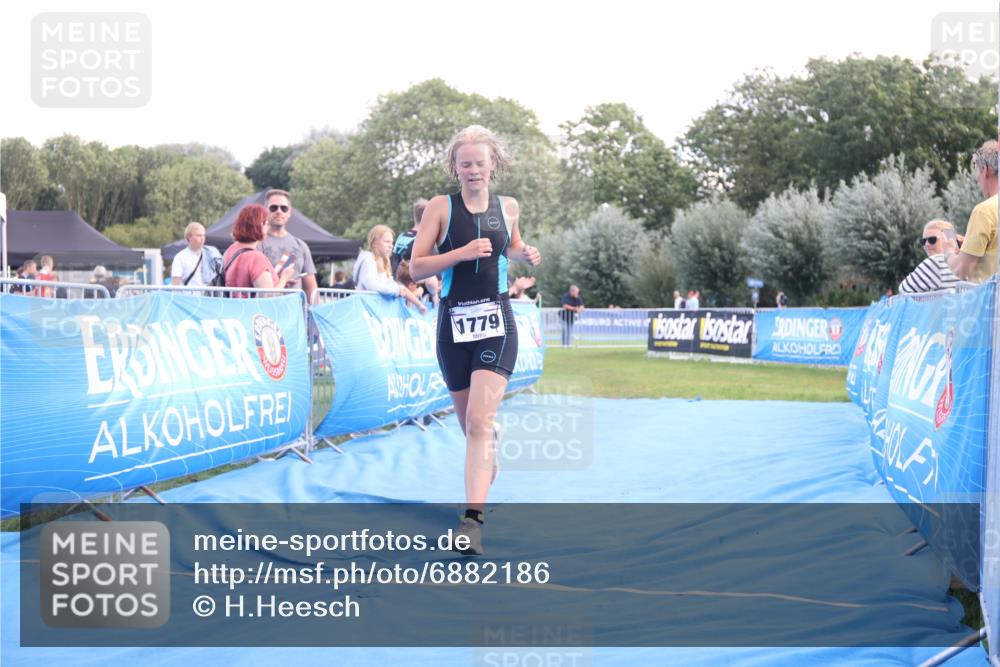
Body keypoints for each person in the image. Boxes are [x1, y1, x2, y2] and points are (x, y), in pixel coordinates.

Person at [409, 125, 541, 555]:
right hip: (453, 324)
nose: (473, 170)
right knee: (471, 428)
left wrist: (524, 253)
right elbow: (416, 268)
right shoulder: (440, 208)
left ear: (493, 165)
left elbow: (512, 244)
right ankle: (487, 454)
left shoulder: (510, 206)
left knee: (481, 424)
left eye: (480, 163)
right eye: (465, 163)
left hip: (497, 321)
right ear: (455, 167)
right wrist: (461, 254)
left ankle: (472, 523)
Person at [949, 140, 998, 283]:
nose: (977, 180)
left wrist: (948, 252)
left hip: (990, 302)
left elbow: (962, 270)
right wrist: (970, 245)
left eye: (976, 172)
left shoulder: (984, 211)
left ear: (985, 170)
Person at [222, 204, 296, 295]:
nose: (268, 228)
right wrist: (284, 278)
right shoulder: (256, 257)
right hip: (254, 309)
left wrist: (279, 281)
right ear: (261, 225)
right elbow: (269, 296)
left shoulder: (230, 250)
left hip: (234, 307)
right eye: (267, 224)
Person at [260, 189, 319, 303]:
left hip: (294, 312)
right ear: (265, 211)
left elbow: (311, 287)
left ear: (289, 212)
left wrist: (313, 316)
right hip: (266, 310)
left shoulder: (301, 246)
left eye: (284, 208)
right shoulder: (257, 243)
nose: (279, 211)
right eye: (273, 208)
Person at [353, 224, 428, 313]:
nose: (391, 245)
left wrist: (419, 305)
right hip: (365, 312)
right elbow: (372, 286)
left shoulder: (383, 262)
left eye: (392, 242)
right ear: (375, 243)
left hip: (374, 311)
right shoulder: (368, 261)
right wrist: (396, 290)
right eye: (387, 242)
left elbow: (398, 287)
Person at [898, 220, 962, 294]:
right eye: (923, 241)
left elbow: (903, 290)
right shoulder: (968, 261)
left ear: (948, 240)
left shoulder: (935, 262)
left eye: (932, 240)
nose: (927, 244)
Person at [170, 222, 222, 288]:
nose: (202, 238)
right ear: (189, 237)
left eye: (203, 235)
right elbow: (175, 283)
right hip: (189, 297)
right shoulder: (180, 257)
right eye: (199, 235)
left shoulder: (212, 253)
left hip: (207, 297)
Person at [391, 198, 429, 276]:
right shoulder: (423, 241)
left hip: (397, 282)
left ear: (414, 216)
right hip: (411, 285)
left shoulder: (400, 237)